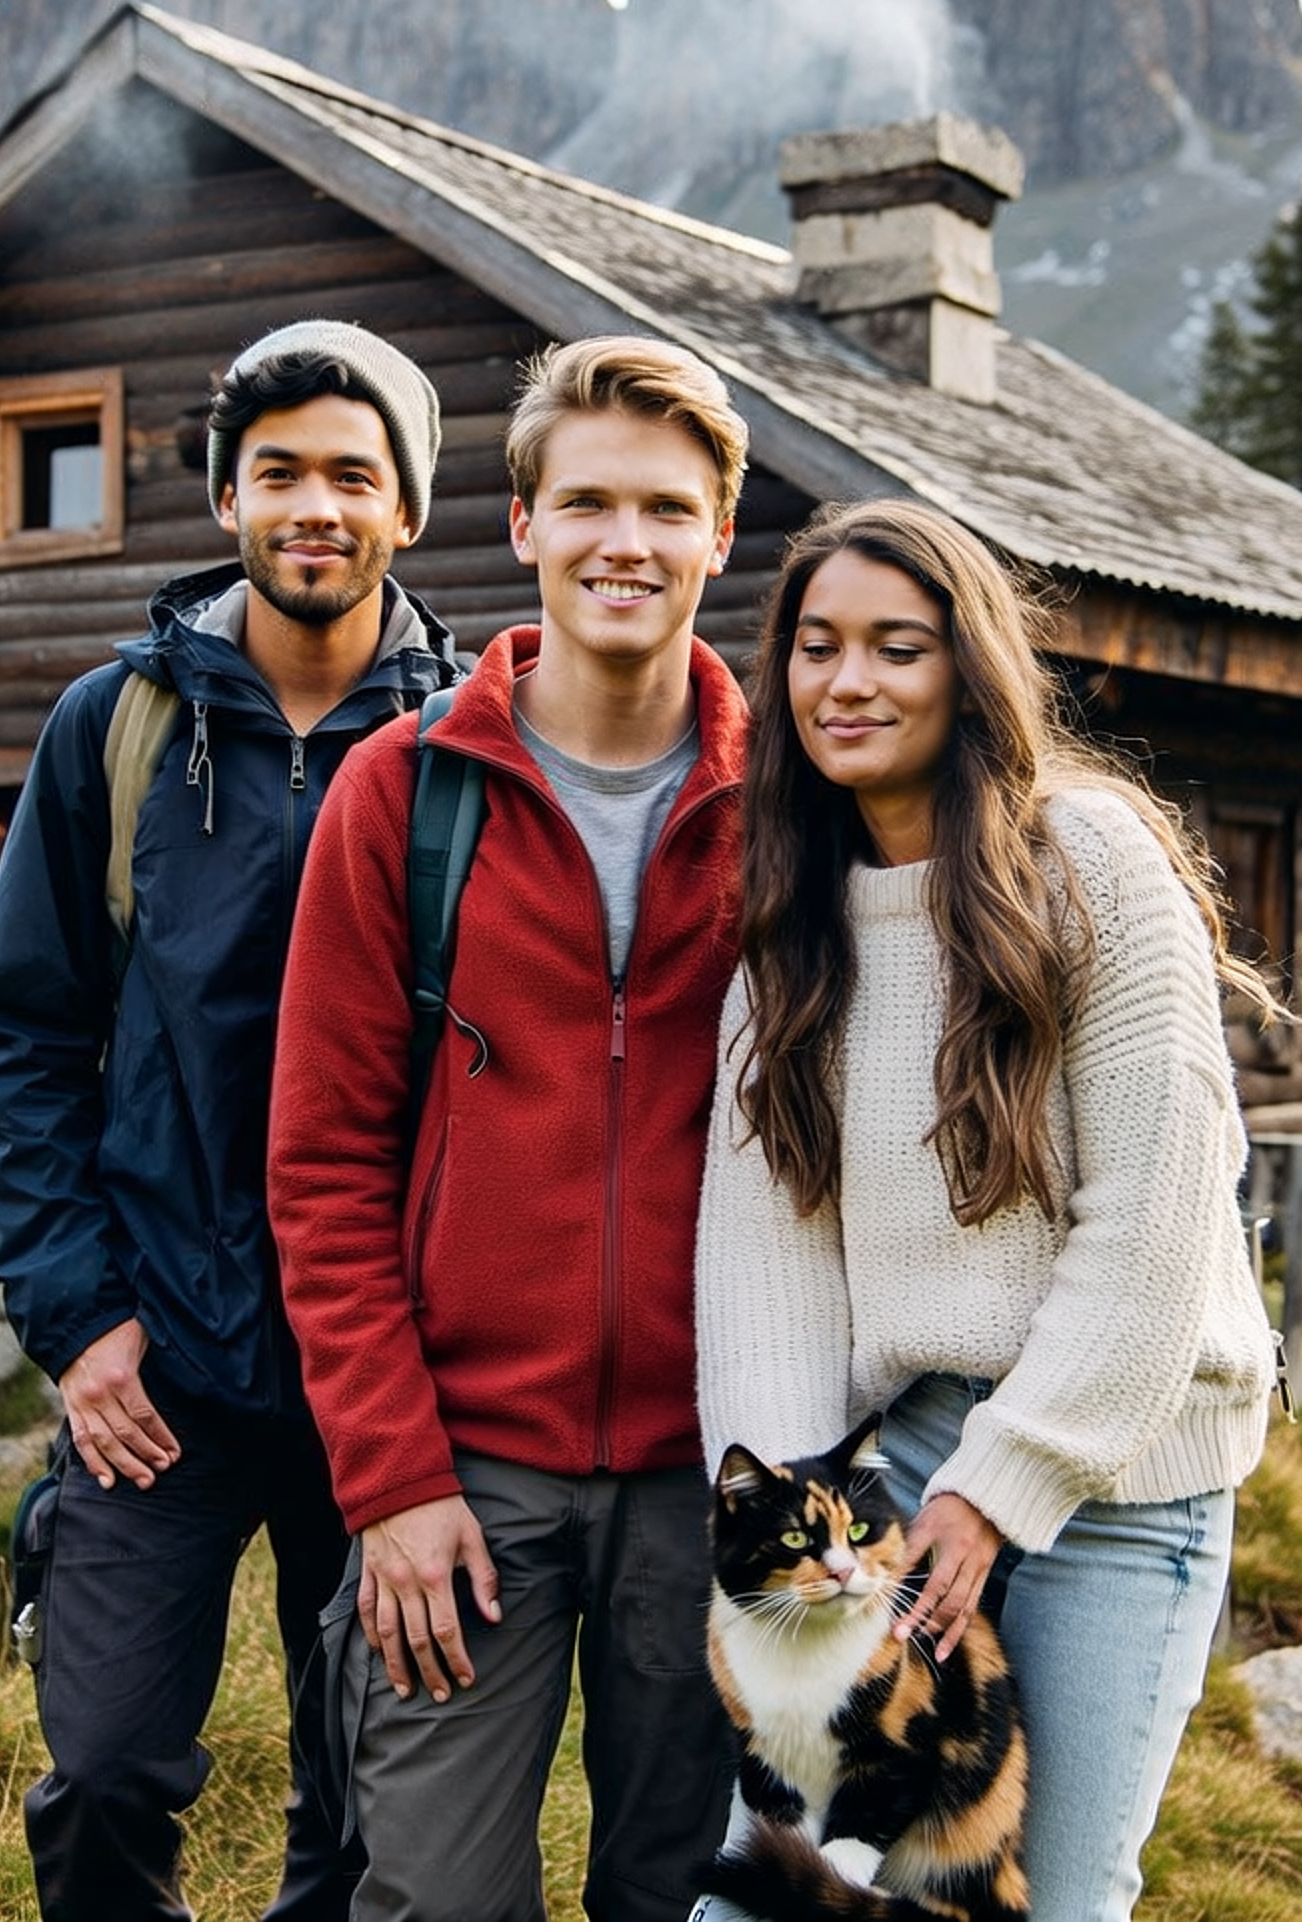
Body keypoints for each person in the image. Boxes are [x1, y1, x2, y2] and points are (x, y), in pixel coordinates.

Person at [693, 497, 1282, 1922]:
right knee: (785, 1884)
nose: (849, 683)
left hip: (1122, 1466)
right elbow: (767, 1261)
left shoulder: (1090, 867)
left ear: (969, 669)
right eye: (817, 648)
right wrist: (784, 1528)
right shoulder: (792, 930)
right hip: (894, 1479)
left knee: (1044, 1899)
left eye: (897, 648)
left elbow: (1156, 1222)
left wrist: (1004, 1489)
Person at [0, 319, 458, 1922]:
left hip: (378, 1367)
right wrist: (78, 1319)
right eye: (280, 473)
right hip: (153, 1367)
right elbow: (25, 1037)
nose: (316, 505)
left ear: (410, 510)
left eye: (353, 476)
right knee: (103, 1773)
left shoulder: (465, 751)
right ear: (228, 501)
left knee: (371, 1796)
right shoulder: (112, 727)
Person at [268, 336, 751, 1922]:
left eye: (668, 509)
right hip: (462, 1478)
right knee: (439, 1902)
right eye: (591, 502)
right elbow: (326, 1174)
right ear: (523, 522)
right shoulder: (406, 796)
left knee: (686, 1899)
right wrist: (393, 1483)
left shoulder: (795, 809)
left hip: (720, 1469)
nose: (630, 542)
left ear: (720, 537)